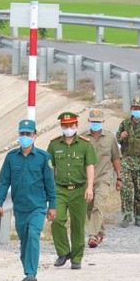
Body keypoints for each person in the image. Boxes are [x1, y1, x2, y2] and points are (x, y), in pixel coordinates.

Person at [0, 119, 57, 281]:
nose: (25, 137)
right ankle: (27, 269)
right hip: (20, 208)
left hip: (37, 207)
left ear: (35, 136)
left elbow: (50, 184)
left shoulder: (44, 158)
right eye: (22, 134)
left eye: (28, 134)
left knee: (33, 235)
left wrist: (53, 206)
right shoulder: (11, 157)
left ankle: (31, 273)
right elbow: (3, 181)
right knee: (24, 240)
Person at [48, 111, 97, 270]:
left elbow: (90, 166)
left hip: (79, 189)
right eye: (65, 125)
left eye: (71, 125)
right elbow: (51, 168)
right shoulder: (54, 144)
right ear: (61, 126)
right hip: (60, 189)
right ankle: (63, 252)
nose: (68, 128)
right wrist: (49, 190)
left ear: (76, 125)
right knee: (57, 220)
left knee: (77, 224)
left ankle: (76, 257)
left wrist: (90, 187)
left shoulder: (85, 144)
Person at [80, 109, 122, 248]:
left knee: (99, 205)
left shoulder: (110, 138)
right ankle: (100, 230)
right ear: (88, 122)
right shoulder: (82, 138)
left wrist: (119, 177)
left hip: (104, 178)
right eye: (93, 121)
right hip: (86, 179)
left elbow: (115, 158)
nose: (96, 124)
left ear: (103, 122)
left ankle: (92, 236)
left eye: (98, 122)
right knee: (89, 207)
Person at [116, 97, 140, 227]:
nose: (137, 111)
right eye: (135, 108)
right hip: (127, 161)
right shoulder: (125, 123)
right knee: (126, 189)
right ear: (131, 109)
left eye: (139, 108)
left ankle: (139, 216)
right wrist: (121, 137)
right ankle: (127, 215)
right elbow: (117, 140)